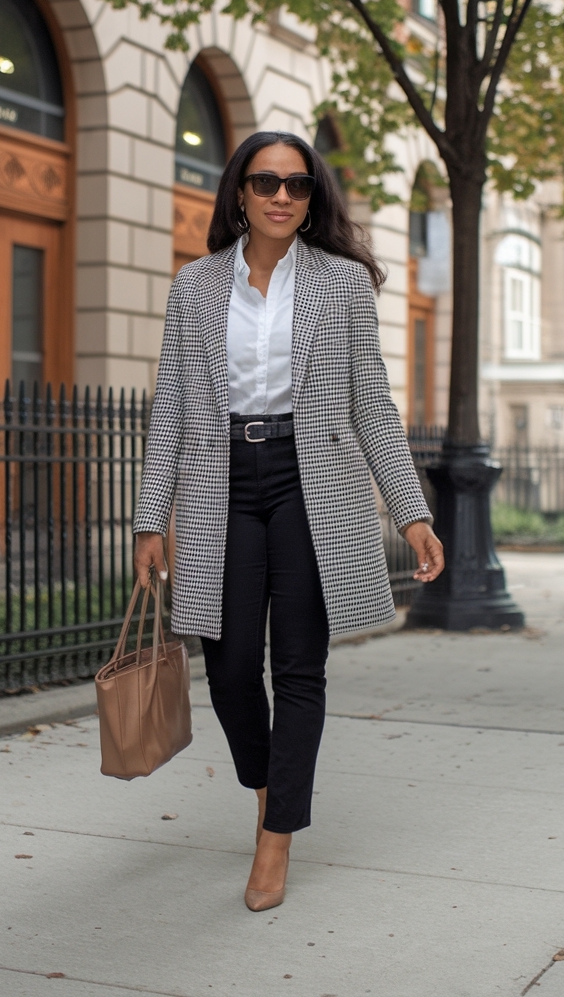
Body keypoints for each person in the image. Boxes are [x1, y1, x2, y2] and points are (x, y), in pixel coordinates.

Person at [133, 130, 444, 911]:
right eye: (267, 181)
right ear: (238, 191)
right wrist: (148, 517)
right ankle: (272, 787)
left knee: (299, 666)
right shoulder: (195, 286)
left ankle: (276, 841)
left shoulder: (341, 285)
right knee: (231, 665)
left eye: (298, 185)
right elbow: (170, 403)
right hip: (219, 481)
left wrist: (411, 512)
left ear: (313, 200)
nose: (281, 196)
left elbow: (370, 401)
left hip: (314, 482)